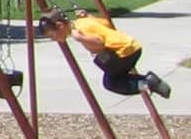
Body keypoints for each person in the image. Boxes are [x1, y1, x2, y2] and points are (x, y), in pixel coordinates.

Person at [38, 10, 173, 99]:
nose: (53, 39)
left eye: (52, 35)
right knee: (117, 80)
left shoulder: (79, 31)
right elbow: (105, 23)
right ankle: (148, 82)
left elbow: (99, 42)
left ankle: (148, 82)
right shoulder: (83, 21)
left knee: (110, 82)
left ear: (60, 26)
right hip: (133, 47)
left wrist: (81, 38)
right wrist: (89, 16)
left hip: (122, 53)